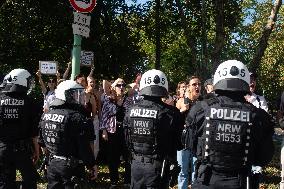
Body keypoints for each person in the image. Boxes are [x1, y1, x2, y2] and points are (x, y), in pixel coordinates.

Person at [184, 60, 274, 189]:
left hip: (206, 180)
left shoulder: (200, 109)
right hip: (240, 181)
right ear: (245, 81)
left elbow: (190, 145)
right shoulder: (258, 116)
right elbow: (263, 158)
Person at [124, 69, 184, 189]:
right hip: (158, 167)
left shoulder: (130, 110)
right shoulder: (171, 113)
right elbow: (178, 144)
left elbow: (127, 140)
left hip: (136, 166)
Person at [38, 80, 96, 189]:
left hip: (53, 164)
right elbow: (84, 146)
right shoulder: (78, 118)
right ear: (65, 95)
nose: (78, 97)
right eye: (75, 94)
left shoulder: (46, 115)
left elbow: (42, 142)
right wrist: (91, 165)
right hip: (71, 168)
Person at [0, 69, 40, 189]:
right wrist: (36, 150)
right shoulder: (29, 102)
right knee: (30, 179)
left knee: (5, 181)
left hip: (2, 148)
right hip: (21, 150)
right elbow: (34, 132)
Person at [100, 78, 132, 187]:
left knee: (128, 156)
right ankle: (114, 180)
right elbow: (104, 115)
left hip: (126, 132)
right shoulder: (108, 99)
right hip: (112, 131)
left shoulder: (129, 100)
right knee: (112, 157)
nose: (122, 87)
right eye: (119, 85)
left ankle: (127, 181)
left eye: (123, 85)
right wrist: (103, 130)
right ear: (114, 87)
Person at [176, 77, 201, 189]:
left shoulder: (202, 103)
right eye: (194, 84)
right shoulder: (181, 101)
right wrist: (183, 110)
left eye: (199, 84)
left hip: (197, 141)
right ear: (188, 87)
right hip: (184, 141)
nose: (197, 86)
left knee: (196, 171)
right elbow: (174, 120)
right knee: (183, 171)